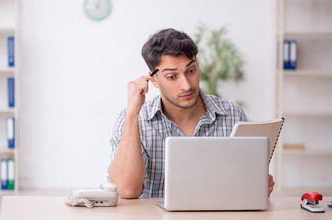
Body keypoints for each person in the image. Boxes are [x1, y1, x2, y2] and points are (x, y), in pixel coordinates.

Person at [108, 28, 275, 199]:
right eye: (172, 76)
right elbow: (126, 190)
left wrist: (255, 186)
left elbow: (242, 185)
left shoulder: (232, 115)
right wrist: (132, 115)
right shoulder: (133, 119)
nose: (186, 85)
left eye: (191, 70)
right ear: (154, 80)